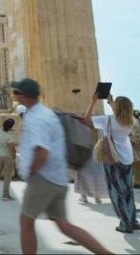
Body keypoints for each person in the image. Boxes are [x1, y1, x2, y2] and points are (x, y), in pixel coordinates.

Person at [12, 78, 110, 255]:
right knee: (63, 225)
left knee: (26, 222)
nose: (14, 95)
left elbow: (42, 152)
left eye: (16, 92)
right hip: (58, 179)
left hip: (43, 179)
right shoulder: (48, 113)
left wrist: (32, 171)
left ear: (23, 96)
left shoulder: (35, 118)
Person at [84, 93, 140, 233]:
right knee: (128, 191)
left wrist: (93, 102)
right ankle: (133, 220)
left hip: (112, 159)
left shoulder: (107, 120)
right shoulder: (130, 121)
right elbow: (119, 115)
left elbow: (86, 120)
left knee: (116, 192)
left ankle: (125, 224)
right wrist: (111, 102)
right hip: (127, 158)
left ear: (117, 107)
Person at [73, 124, 107, 204]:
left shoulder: (84, 129)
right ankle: (97, 198)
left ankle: (84, 197)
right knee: (96, 176)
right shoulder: (100, 130)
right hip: (97, 156)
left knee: (82, 176)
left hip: (86, 156)